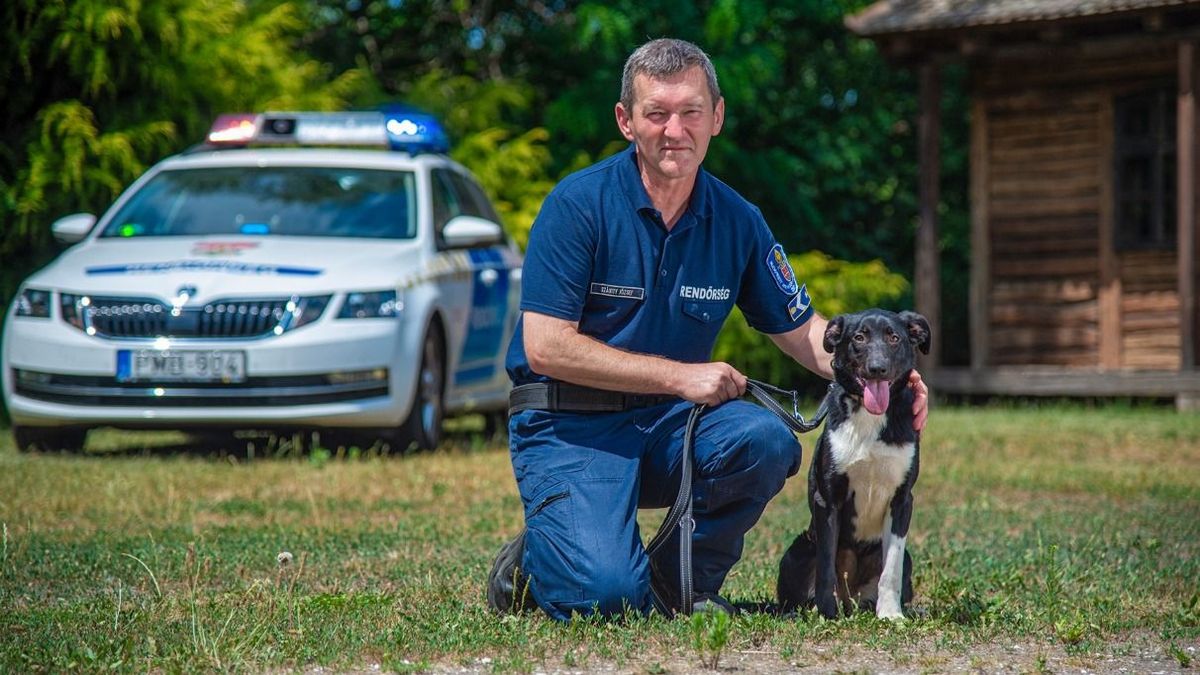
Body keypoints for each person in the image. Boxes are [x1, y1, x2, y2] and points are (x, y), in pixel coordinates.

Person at [487, 38, 928, 621]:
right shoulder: (577, 205)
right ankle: (539, 560)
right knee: (603, 600)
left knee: (765, 441)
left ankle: (677, 586)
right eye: (657, 113)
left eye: (691, 111)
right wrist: (680, 376)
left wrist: (888, 377)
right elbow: (545, 347)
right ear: (626, 121)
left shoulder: (738, 219)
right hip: (572, 423)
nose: (676, 129)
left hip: (670, 426)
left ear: (716, 117)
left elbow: (806, 332)